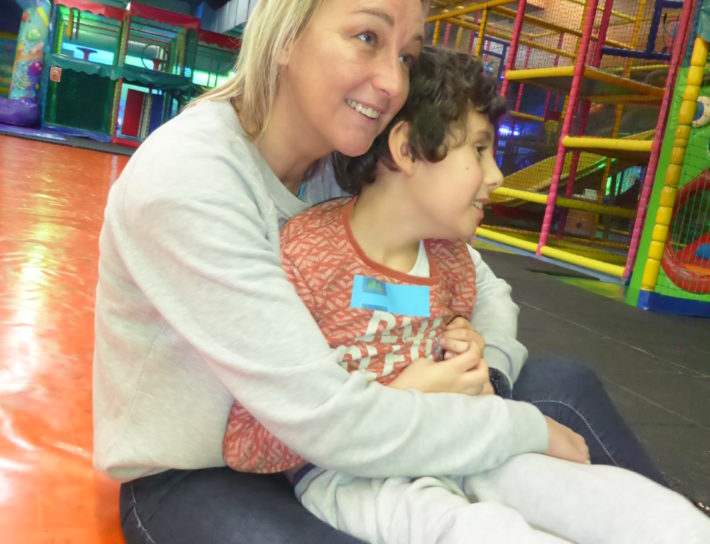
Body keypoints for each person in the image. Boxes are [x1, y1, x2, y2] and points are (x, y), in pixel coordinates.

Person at [93, 1, 667, 542]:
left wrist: (481, 373)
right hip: (209, 469)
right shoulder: (190, 180)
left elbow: (486, 288)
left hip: (359, 423)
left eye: (407, 55)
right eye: (367, 37)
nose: (394, 82)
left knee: (566, 383)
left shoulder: (344, 164)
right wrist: (517, 427)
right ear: (286, 35)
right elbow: (327, 420)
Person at [221, 46, 710, 544]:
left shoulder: (451, 260)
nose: (496, 175)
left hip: (458, 438)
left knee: (615, 501)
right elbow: (249, 441)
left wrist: (472, 351)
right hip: (352, 473)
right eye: (479, 150)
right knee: (476, 530)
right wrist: (402, 394)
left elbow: (479, 350)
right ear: (407, 149)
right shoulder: (305, 255)